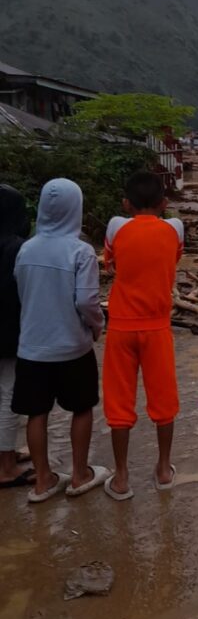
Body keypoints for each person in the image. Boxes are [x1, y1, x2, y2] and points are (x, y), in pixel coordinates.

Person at [11, 179, 109, 502]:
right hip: (72, 347)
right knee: (81, 408)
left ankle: (43, 481)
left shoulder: (26, 249)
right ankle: (80, 475)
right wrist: (97, 326)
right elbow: (86, 302)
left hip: (32, 348)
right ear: (75, 209)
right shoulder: (80, 251)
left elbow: (22, 293)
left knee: (36, 413)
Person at [102, 171, 183, 500]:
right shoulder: (174, 228)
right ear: (164, 203)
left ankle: (121, 478)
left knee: (118, 402)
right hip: (157, 326)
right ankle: (163, 469)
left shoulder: (115, 226)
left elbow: (111, 262)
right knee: (164, 400)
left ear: (125, 203)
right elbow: (172, 259)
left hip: (121, 325)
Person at [0, 185, 33, 488]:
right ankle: (6, 465)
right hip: (7, 332)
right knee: (9, 394)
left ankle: (5, 452)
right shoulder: (16, 248)